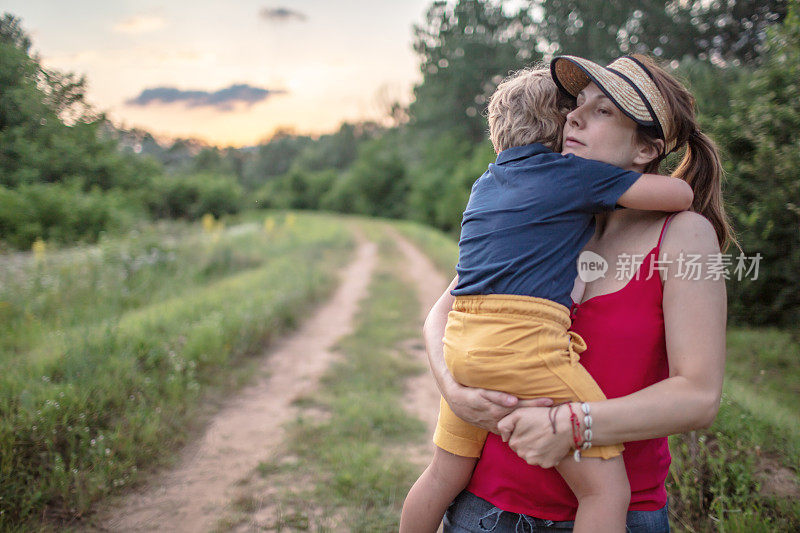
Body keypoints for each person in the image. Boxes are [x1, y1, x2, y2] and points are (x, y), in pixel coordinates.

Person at [423, 55, 730, 532]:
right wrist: (453, 390)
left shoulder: (684, 236)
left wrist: (573, 425)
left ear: (647, 149)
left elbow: (699, 396)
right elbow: (443, 313)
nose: (574, 117)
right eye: (577, 104)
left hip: (616, 516)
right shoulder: (549, 213)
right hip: (485, 508)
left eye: (603, 110)